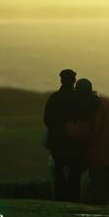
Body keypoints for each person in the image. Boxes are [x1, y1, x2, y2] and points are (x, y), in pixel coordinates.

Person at [74, 78, 109, 205]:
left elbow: (84, 132)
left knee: (99, 191)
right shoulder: (104, 102)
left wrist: (68, 127)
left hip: (97, 155)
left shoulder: (88, 108)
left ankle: (104, 216)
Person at [43, 69, 86, 202]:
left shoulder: (54, 98)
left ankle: (60, 200)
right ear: (74, 80)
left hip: (57, 143)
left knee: (59, 172)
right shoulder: (78, 98)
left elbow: (46, 120)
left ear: (61, 80)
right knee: (75, 173)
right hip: (75, 143)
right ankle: (74, 200)